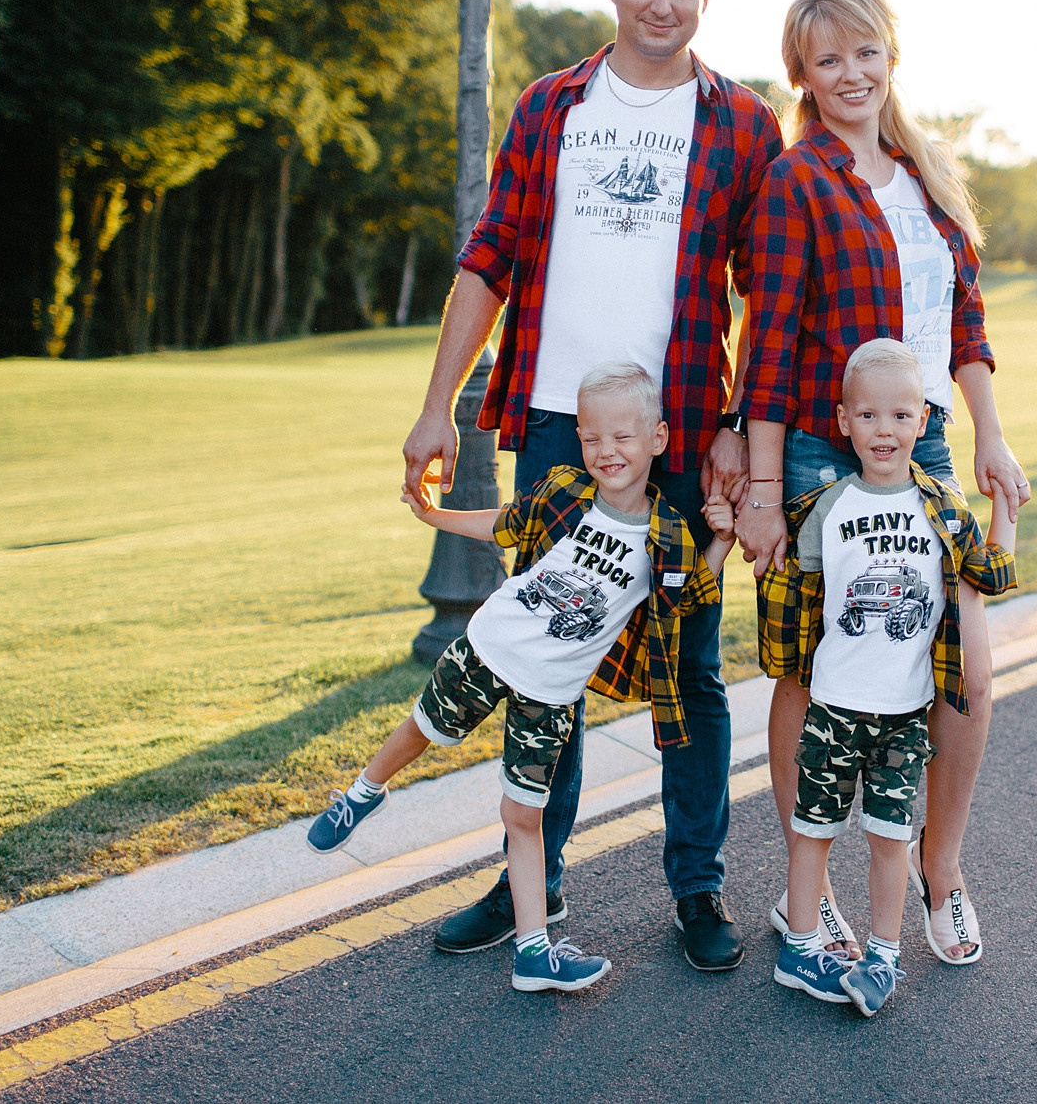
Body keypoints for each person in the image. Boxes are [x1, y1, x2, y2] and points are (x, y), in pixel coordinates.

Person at [400, 0, 783, 971]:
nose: (662, 4)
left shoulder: (743, 124)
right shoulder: (551, 105)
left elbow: (764, 293)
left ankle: (696, 889)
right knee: (545, 656)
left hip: (679, 430)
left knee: (690, 666)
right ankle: (534, 881)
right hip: (560, 425)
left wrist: (734, 429)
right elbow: (489, 257)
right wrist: (440, 401)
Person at [736, 0, 1032, 966]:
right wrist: (767, 489)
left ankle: (939, 868)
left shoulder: (926, 173)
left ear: (890, 56)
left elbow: (968, 327)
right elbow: (767, 344)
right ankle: (804, 891)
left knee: (967, 676)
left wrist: (989, 435)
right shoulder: (796, 180)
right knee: (811, 672)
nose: (849, 73)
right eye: (826, 60)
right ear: (803, 78)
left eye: (863, 52)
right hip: (825, 452)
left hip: (931, 445)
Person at [307, 363, 735, 993]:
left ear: (659, 440)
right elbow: (501, 523)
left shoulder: (666, 534)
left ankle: (534, 951)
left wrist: (722, 537)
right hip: (487, 649)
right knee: (423, 727)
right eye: (592, 437)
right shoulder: (563, 489)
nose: (605, 451)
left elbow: (693, 591)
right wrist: (431, 516)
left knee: (524, 815)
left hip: (549, 698)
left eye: (622, 437)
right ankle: (365, 791)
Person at [757, 339, 1016, 1015]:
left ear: (925, 421)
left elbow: (990, 573)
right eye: (868, 416)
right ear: (843, 421)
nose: (885, 430)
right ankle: (803, 946)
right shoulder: (827, 506)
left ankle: (883, 956)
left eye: (901, 416)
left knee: (889, 836)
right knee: (814, 828)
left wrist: (1006, 517)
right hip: (834, 708)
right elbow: (794, 585)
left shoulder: (942, 510)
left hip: (904, 714)